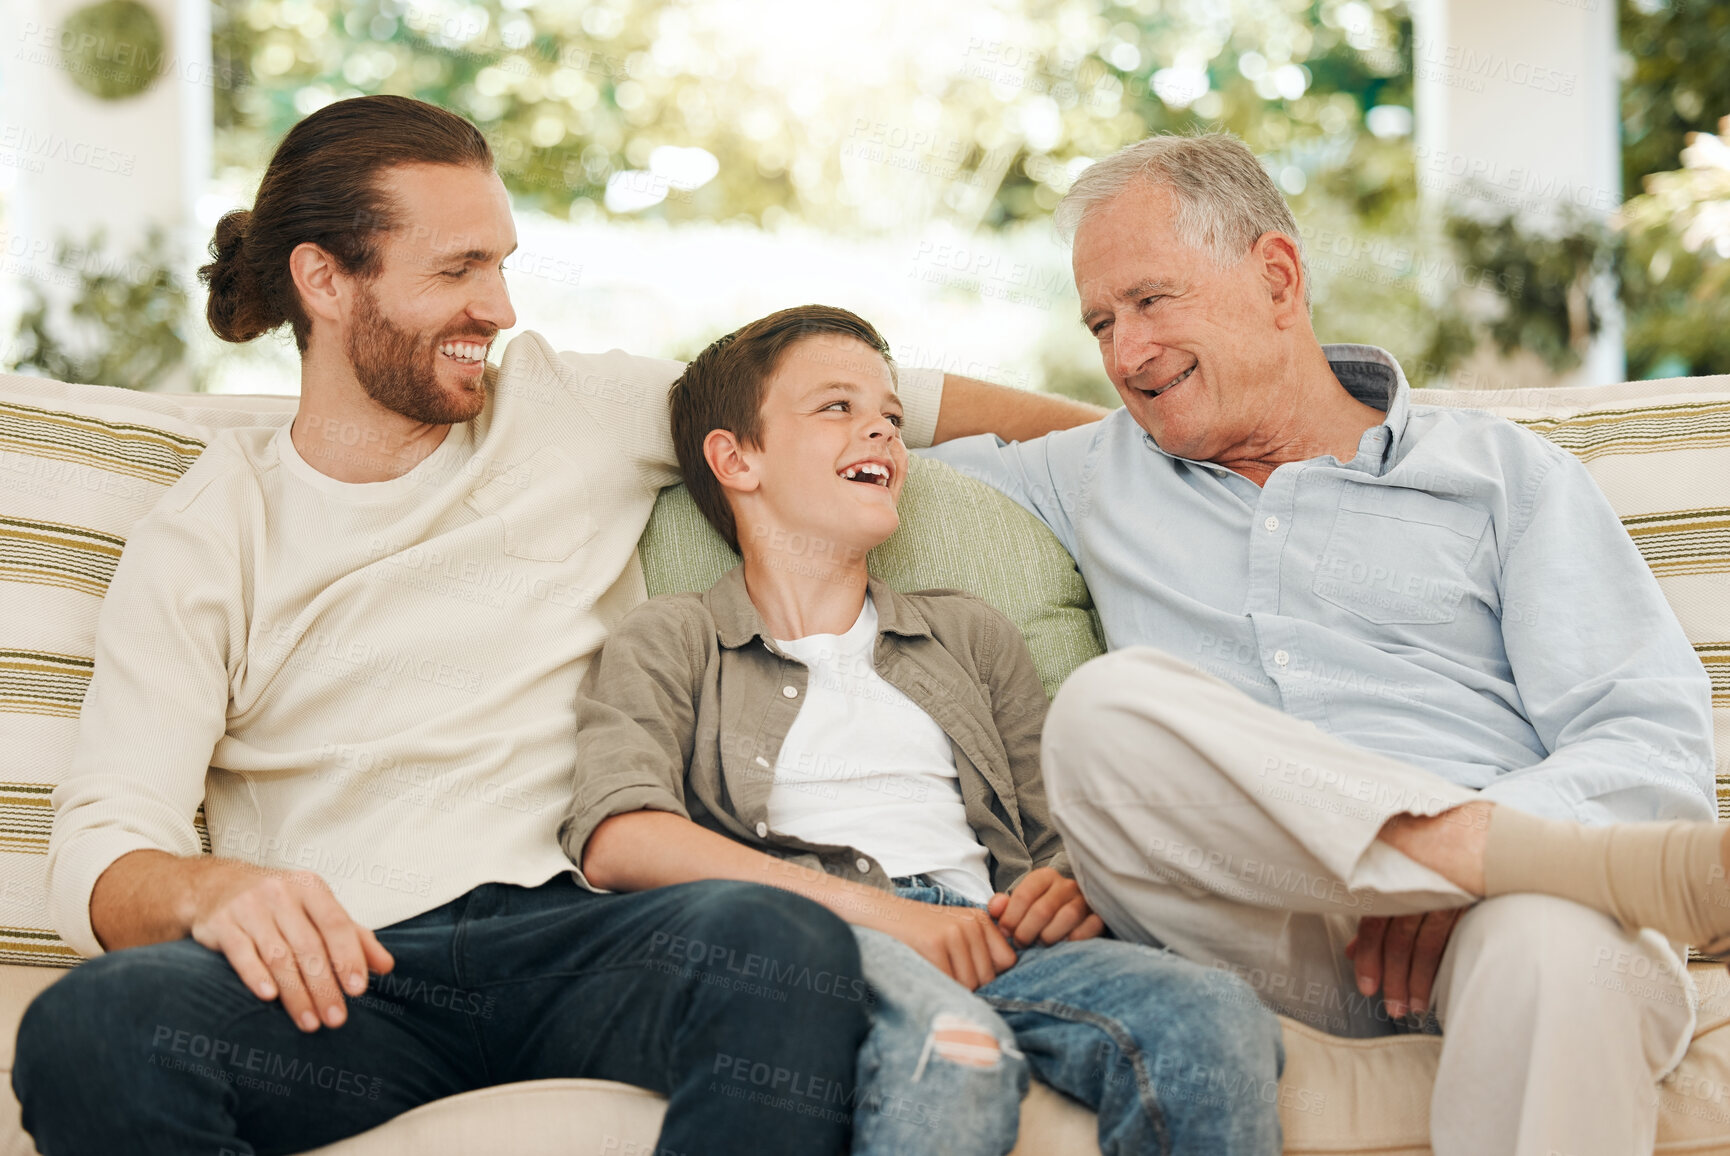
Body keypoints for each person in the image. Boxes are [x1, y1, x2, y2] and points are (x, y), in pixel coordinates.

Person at [11, 96, 1099, 1156]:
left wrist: (1130, 444)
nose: (500, 309)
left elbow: (889, 395)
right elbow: (104, 840)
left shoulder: (564, 406)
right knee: (90, 1028)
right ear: (325, 280)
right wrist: (207, 888)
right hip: (352, 975)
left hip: (589, 933)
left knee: (776, 939)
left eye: (501, 264)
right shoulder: (212, 528)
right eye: (456, 270)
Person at [920, 131, 1724, 1156]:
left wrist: (1468, 874)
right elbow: (848, 407)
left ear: (1275, 277)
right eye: (1099, 324)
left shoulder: (1502, 477)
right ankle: (1470, 855)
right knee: (1102, 712)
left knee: (1557, 947)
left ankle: (1478, 860)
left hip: (1498, 923)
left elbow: (1645, 742)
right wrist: (1463, 858)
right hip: (1251, 934)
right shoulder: (1087, 470)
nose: (1124, 354)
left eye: (1152, 302)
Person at [563, 303, 1286, 1156]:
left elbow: (1057, 833)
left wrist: (1069, 885)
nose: (880, 430)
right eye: (838, 407)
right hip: (823, 944)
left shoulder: (968, 633)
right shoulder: (674, 636)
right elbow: (619, 835)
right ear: (736, 457)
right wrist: (891, 918)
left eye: (893, 418)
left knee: (1215, 1013)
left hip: (992, 934)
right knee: (955, 1057)